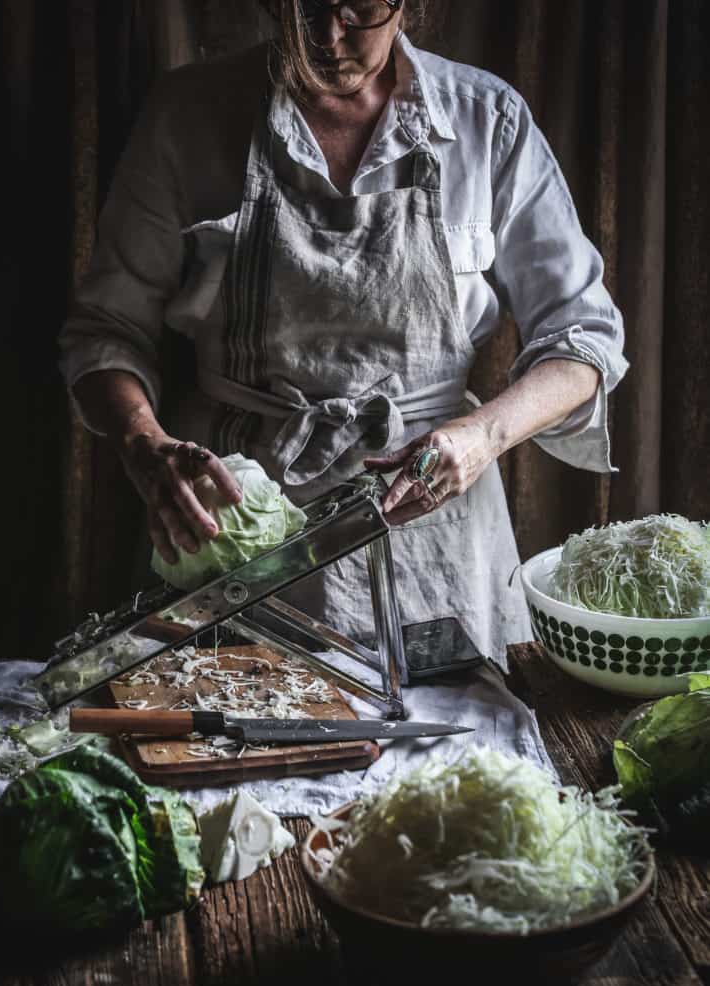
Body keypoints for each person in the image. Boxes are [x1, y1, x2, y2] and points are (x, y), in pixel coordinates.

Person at [58, 0, 628, 668]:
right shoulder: (191, 112)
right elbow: (106, 328)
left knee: (448, 758)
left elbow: (583, 339)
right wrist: (143, 446)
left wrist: (479, 438)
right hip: (237, 515)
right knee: (231, 742)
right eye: (306, 8)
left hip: (430, 524)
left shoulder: (484, 119)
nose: (327, 36)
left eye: (359, 7)